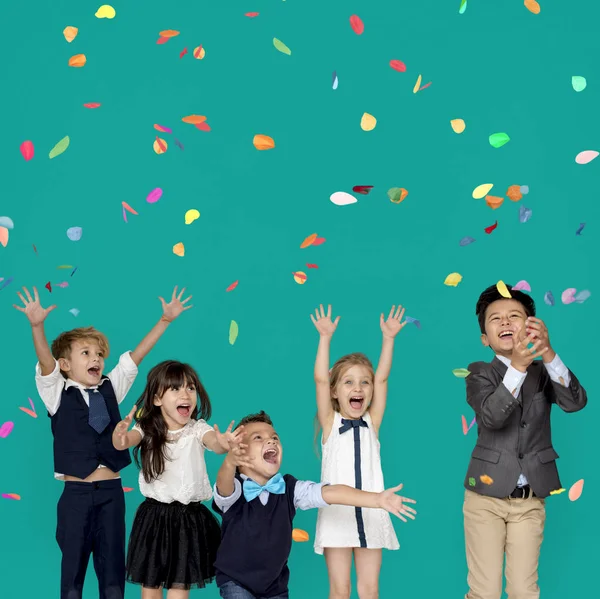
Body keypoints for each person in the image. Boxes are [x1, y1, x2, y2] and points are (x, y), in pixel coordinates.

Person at [14, 284, 192, 599]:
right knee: (72, 579)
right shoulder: (56, 391)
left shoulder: (111, 387)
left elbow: (136, 356)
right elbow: (45, 363)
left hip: (111, 495)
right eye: (86, 353)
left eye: (99, 354)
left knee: (113, 579)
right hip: (76, 496)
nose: (96, 359)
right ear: (66, 365)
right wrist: (37, 326)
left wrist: (165, 321)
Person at [463, 283, 588, 599]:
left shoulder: (544, 372)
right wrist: (517, 365)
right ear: (485, 339)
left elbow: (575, 402)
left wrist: (548, 353)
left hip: (530, 499)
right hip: (485, 499)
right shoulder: (479, 373)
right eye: (496, 319)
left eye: (514, 316)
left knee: (523, 589)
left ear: (531, 327)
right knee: (485, 591)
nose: (505, 322)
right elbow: (492, 417)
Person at [212, 411, 417, 599]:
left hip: (274, 585)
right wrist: (229, 462)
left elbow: (331, 492)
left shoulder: (290, 488)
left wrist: (377, 499)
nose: (271, 441)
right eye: (258, 438)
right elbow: (224, 483)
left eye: (275, 438)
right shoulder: (235, 489)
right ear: (239, 453)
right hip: (235, 580)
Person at [113, 360, 242, 598]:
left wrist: (224, 442)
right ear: (156, 399)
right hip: (153, 518)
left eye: (191, 388)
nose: (186, 394)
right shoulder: (147, 428)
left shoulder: (197, 429)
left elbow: (214, 442)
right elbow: (125, 441)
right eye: (175, 388)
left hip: (188, 520)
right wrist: (119, 435)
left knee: (179, 586)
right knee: (150, 586)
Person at [310, 304, 410, 599]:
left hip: (373, 511)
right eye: (349, 382)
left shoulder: (372, 422)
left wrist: (389, 339)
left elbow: (382, 379)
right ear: (334, 390)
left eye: (363, 383)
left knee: (369, 590)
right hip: (335, 515)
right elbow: (318, 378)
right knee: (339, 590)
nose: (359, 388)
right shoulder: (330, 422)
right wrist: (325, 337)